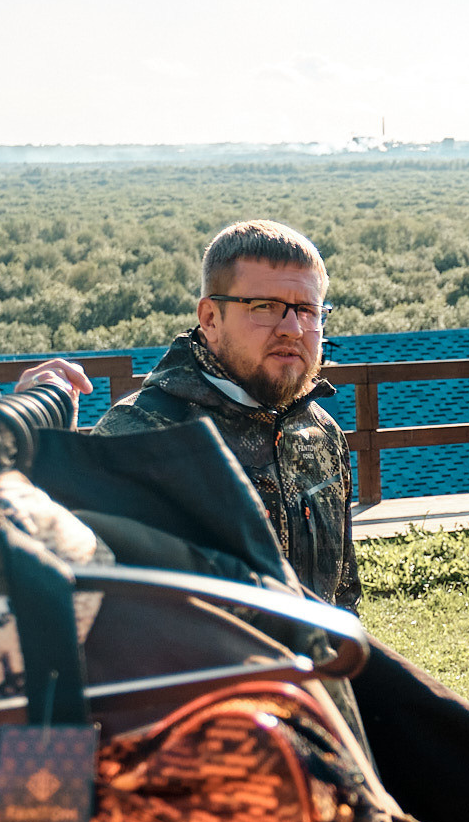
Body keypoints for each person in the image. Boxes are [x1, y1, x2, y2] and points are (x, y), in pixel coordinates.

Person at [91, 219, 360, 608]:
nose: (292, 329)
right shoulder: (137, 437)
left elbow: (344, 598)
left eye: (307, 310)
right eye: (265, 307)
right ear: (210, 319)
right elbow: (105, 620)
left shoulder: (321, 433)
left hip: (317, 669)